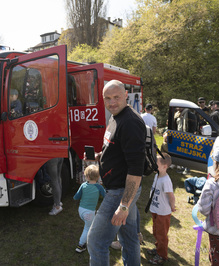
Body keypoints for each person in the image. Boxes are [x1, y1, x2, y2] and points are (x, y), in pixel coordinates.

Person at [87, 80, 146, 266]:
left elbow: (136, 171)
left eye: (116, 97)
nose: (112, 102)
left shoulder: (130, 122)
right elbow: (116, 148)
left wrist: (124, 206)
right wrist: (99, 156)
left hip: (121, 192)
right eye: (108, 98)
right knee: (129, 239)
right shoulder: (115, 117)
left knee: (96, 241)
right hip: (120, 190)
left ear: (126, 95)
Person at [147, 152, 176, 265]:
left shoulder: (166, 181)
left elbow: (171, 196)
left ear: (164, 167)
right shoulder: (157, 175)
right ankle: (158, 248)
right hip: (155, 210)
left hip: (163, 212)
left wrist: (172, 207)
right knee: (156, 231)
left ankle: (162, 255)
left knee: (161, 234)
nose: (154, 166)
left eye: (156, 164)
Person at [73, 164, 106, 253]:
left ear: (87, 176)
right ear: (98, 177)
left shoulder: (83, 185)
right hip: (89, 213)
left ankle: (93, 238)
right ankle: (80, 245)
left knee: (91, 224)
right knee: (88, 227)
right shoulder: (99, 187)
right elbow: (106, 196)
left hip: (81, 210)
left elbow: (76, 197)